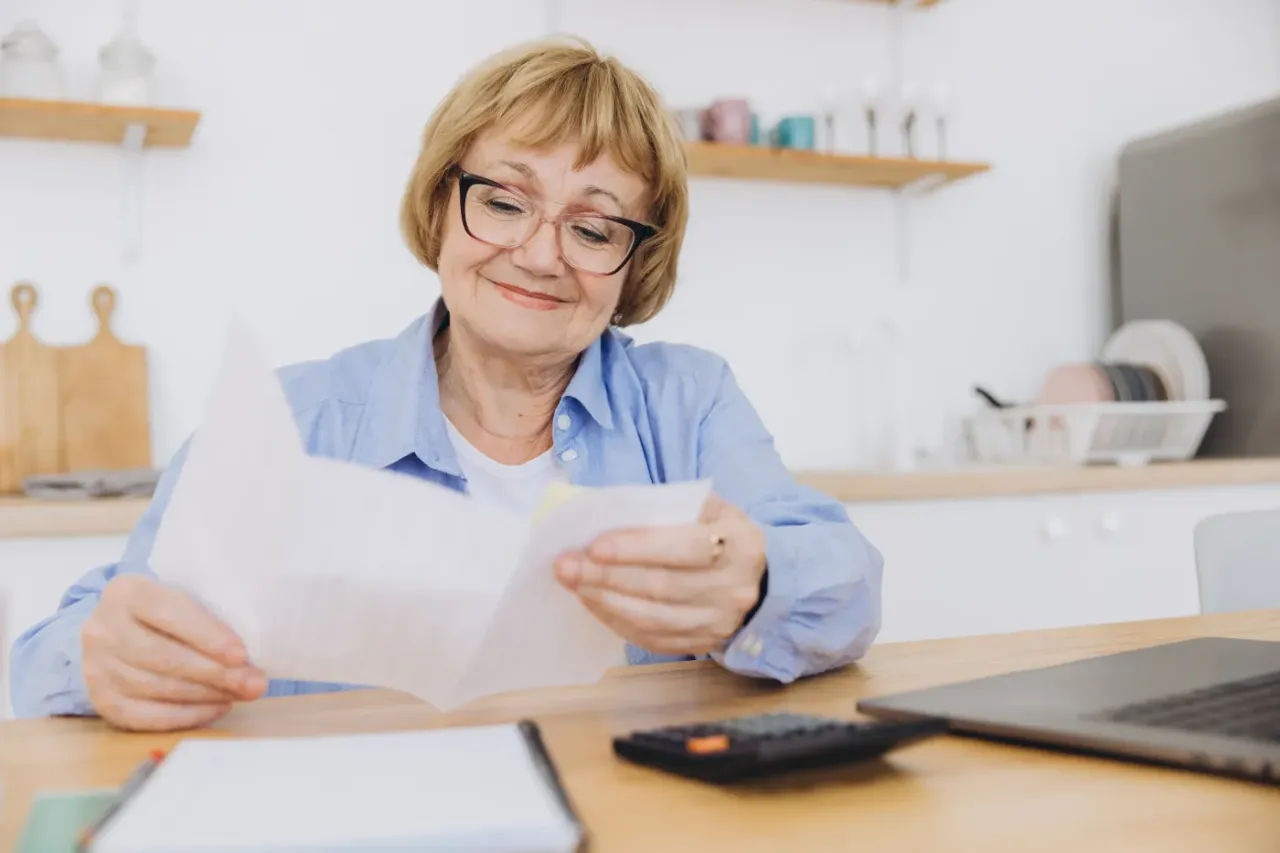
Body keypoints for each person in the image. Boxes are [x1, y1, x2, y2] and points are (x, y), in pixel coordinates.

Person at [9, 37, 883, 732]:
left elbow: (849, 585)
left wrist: (758, 584)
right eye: (504, 201)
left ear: (634, 261)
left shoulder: (689, 402)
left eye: (594, 225)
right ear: (440, 207)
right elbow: (68, 643)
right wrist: (102, 658)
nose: (541, 254)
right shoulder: (293, 418)